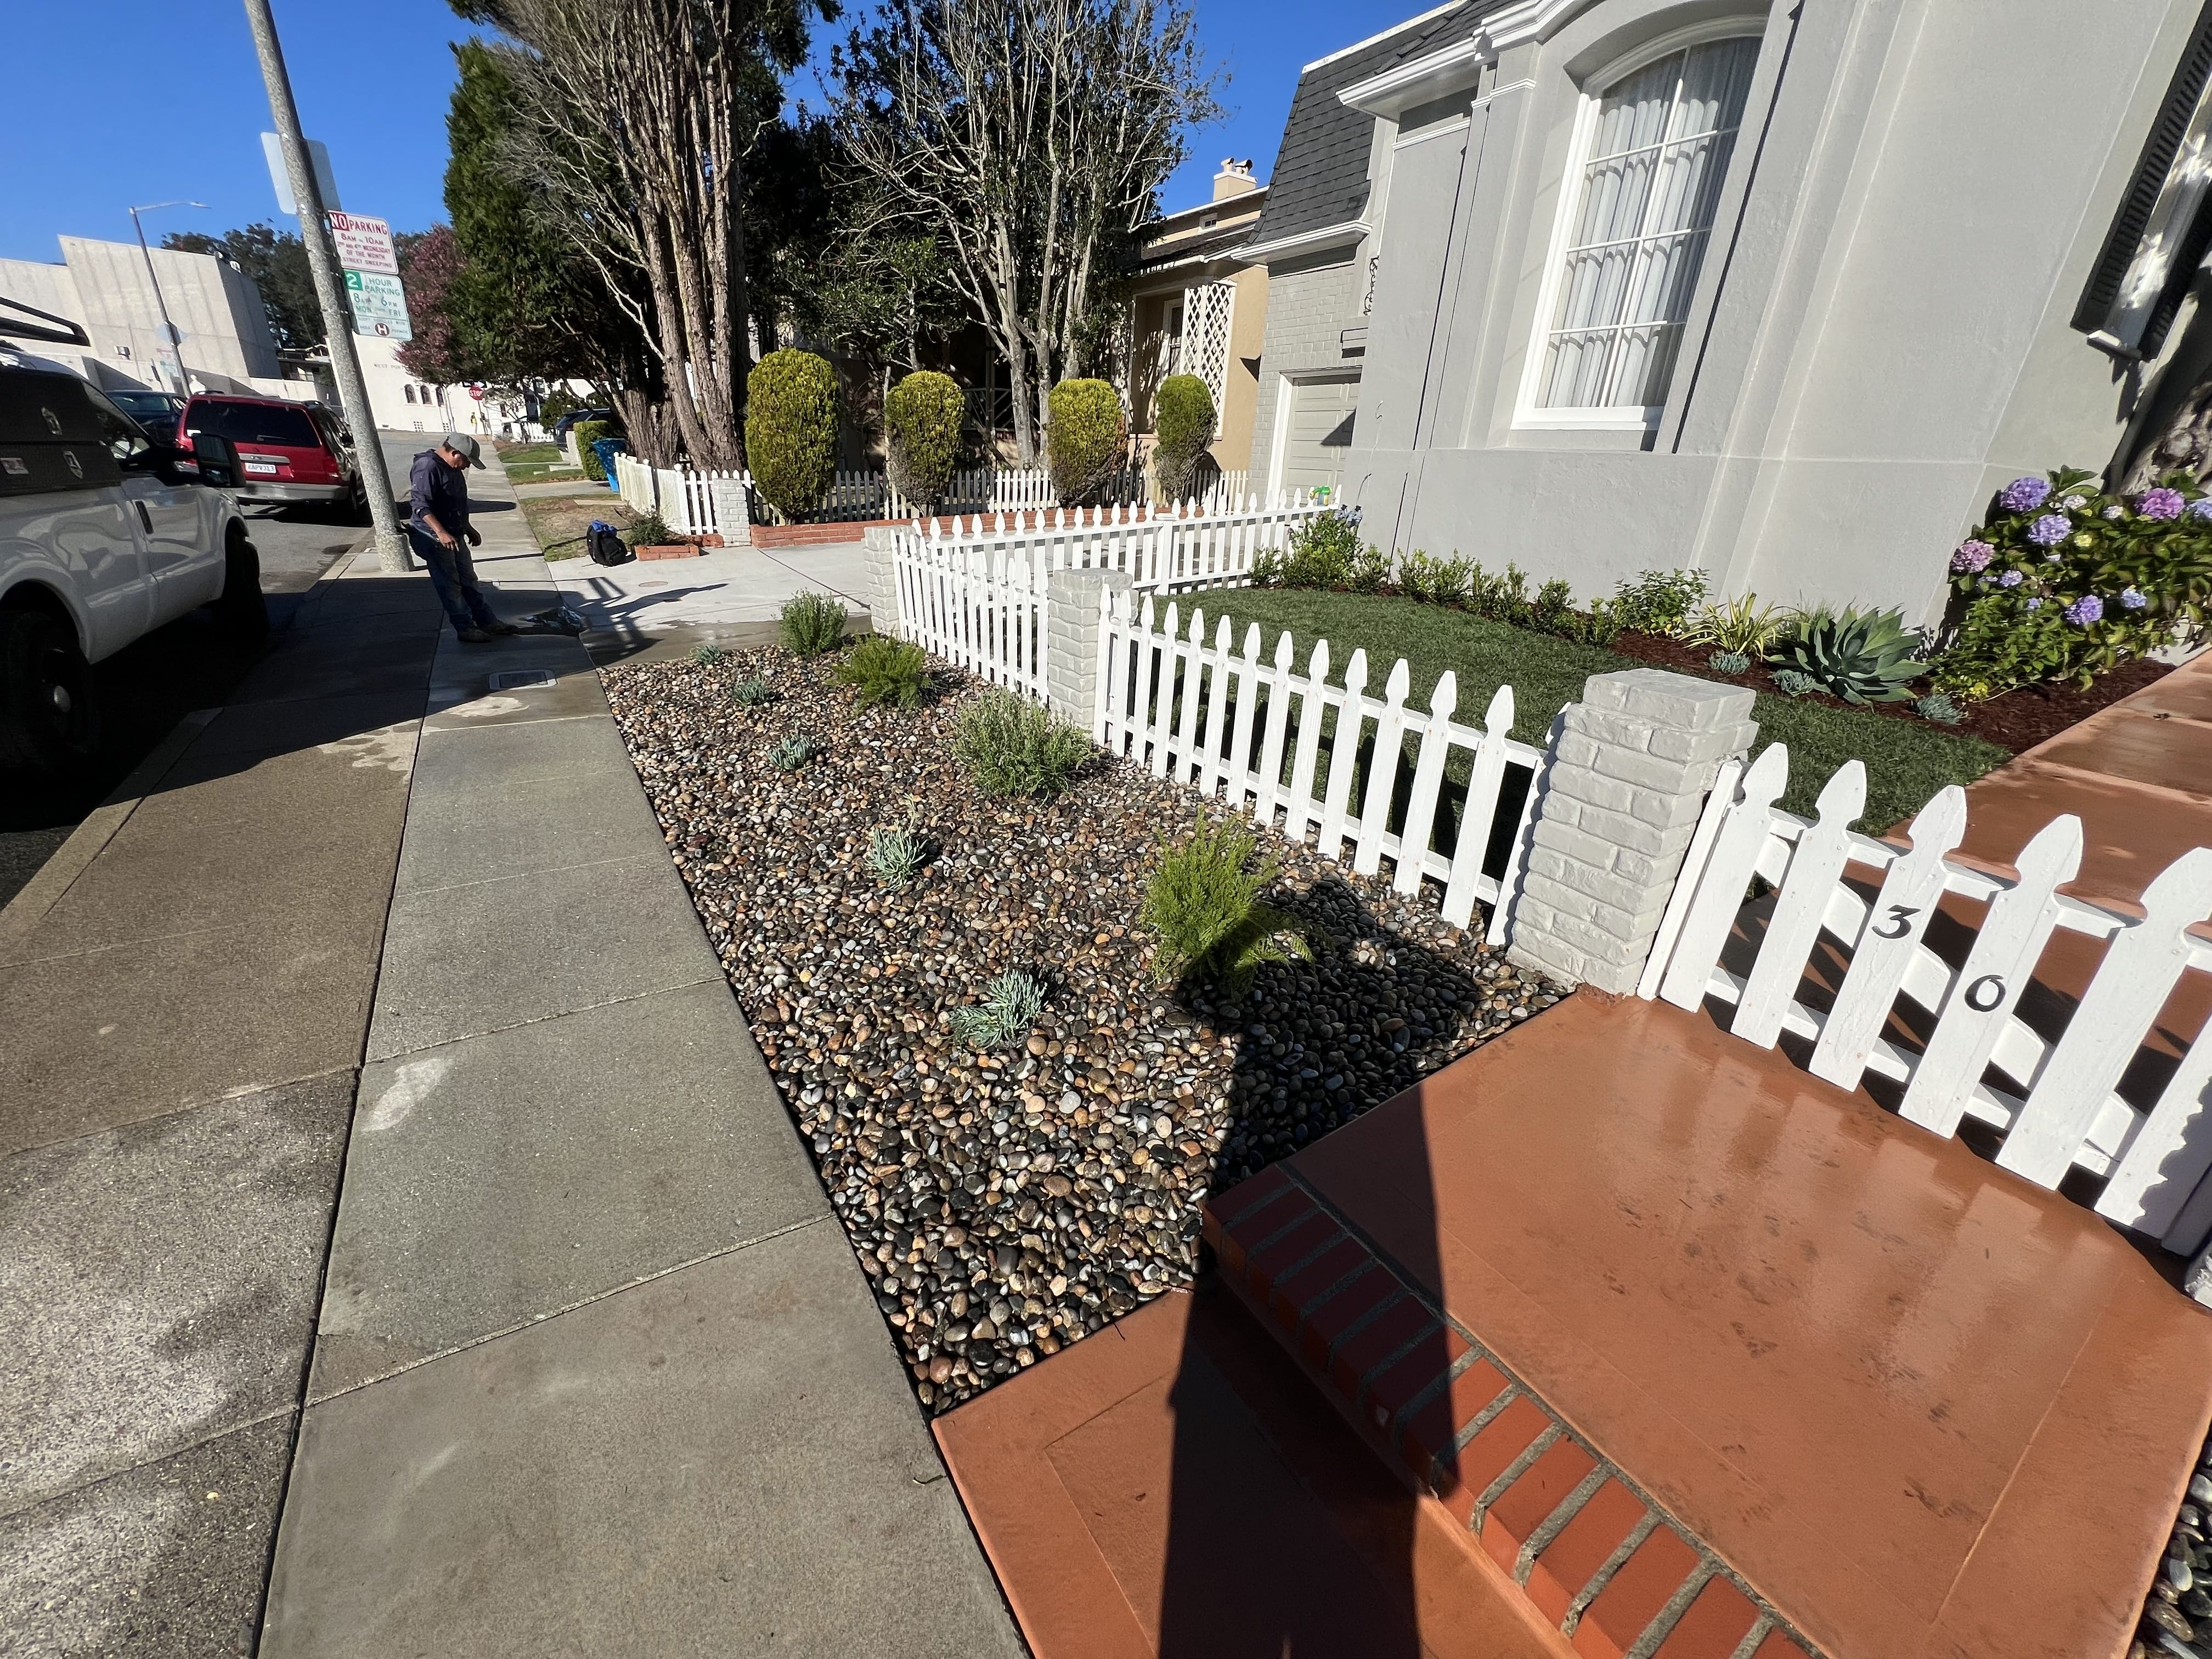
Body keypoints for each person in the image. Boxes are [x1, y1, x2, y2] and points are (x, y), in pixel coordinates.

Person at [407, 432, 514, 642]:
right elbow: (420, 505)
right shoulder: (428, 467)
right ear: (455, 453)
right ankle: (464, 628)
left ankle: (487, 621)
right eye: (466, 461)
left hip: (455, 533)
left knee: (469, 580)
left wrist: (467, 526)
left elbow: (456, 502)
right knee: (450, 585)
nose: (467, 466)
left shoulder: (453, 468)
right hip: (434, 537)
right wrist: (441, 533)